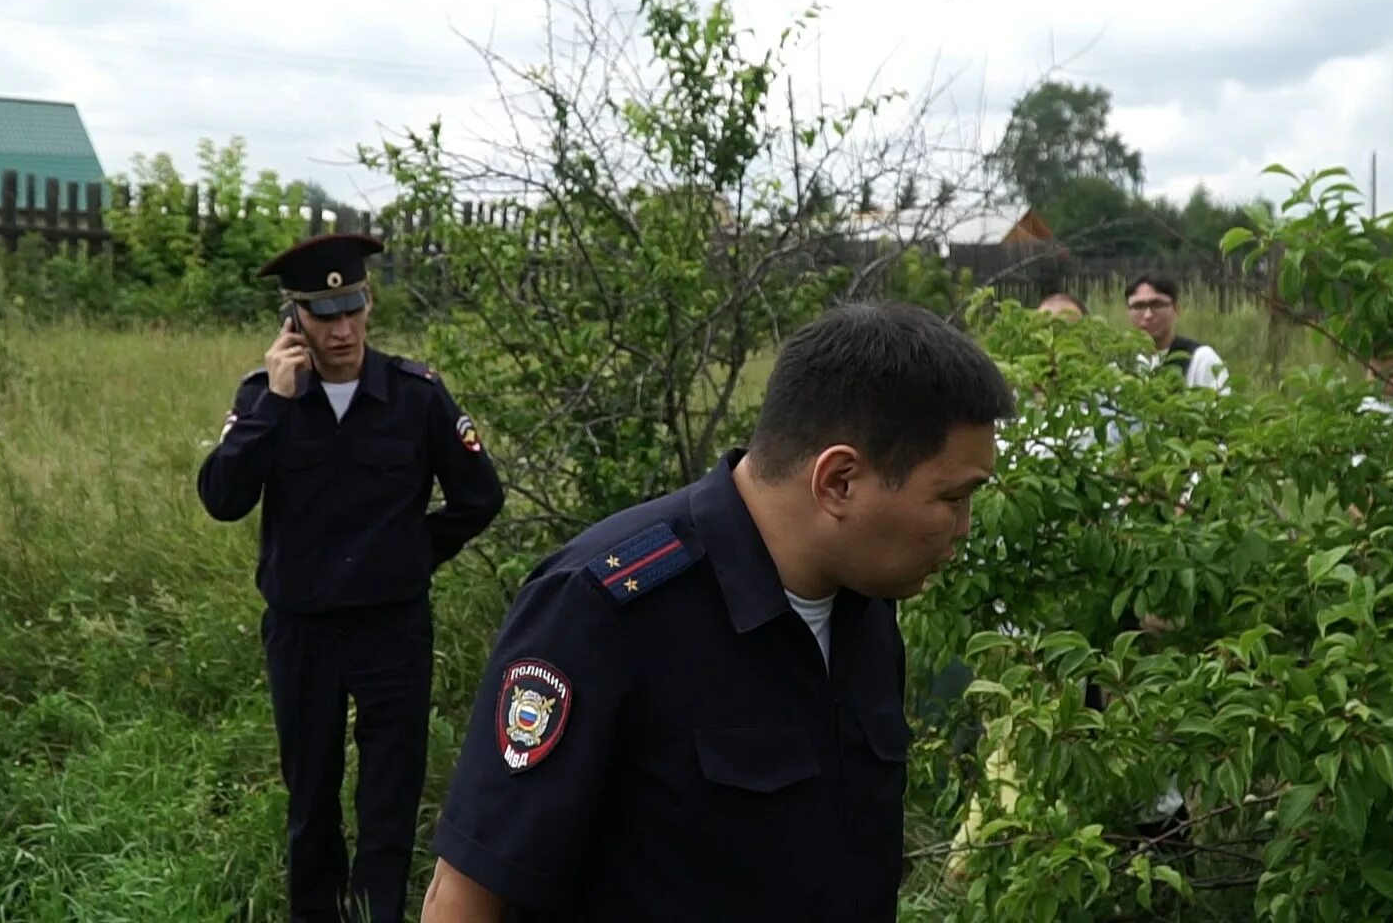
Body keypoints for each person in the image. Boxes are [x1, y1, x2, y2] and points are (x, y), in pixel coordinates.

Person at [420, 302, 1014, 922]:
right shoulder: (604, 610)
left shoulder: (865, 608)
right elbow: (466, 895)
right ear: (838, 481)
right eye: (951, 498)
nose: (964, 528)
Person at [197, 232, 505, 923]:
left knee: (389, 797)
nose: (341, 329)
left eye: (352, 308)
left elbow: (479, 496)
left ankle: (377, 914)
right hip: (303, 630)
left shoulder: (415, 395)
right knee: (311, 797)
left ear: (369, 304)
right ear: (293, 318)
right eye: (323, 313)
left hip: (390, 625)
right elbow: (221, 499)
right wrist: (273, 406)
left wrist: (409, 554)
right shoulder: (265, 398)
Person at [1124, 275, 1228, 393]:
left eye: (1157, 305)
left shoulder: (1200, 359)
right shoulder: (1122, 363)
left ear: (1176, 309)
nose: (1148, 315)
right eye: (1139, 307)